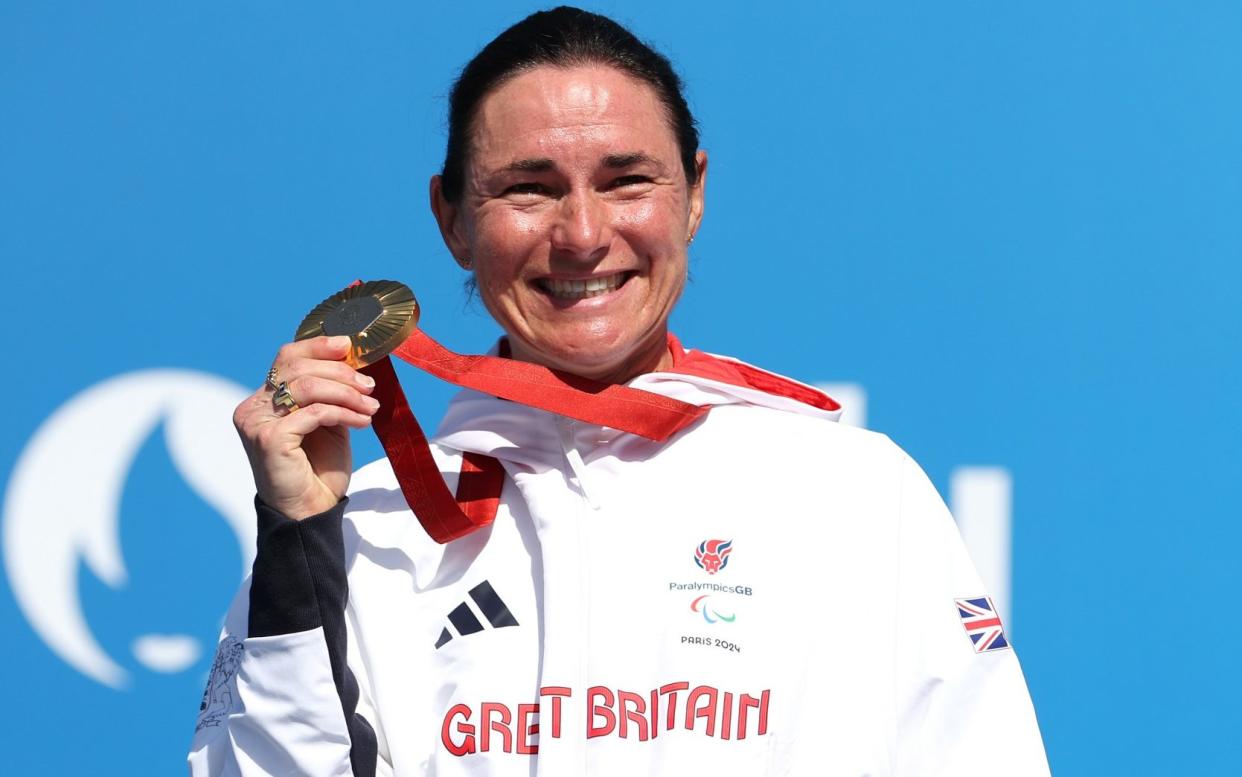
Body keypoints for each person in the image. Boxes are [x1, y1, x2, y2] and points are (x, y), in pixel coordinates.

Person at [189, 7, 1050, 776]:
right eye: (529, 188)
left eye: (626, 180)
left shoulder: (853, 491)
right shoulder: (364, 525)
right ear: (450, 218)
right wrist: (300, 542)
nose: (584, 234)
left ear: (695, 195)